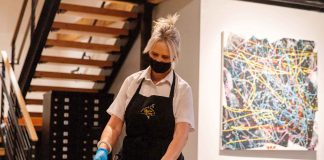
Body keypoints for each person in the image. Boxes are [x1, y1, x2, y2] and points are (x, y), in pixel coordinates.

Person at [94, 13, 195, 160]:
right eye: (155, 54)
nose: (159, 60)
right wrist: (103, 147)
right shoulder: (132, 82)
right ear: (149, 51)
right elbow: (114, 126)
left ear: (174, 57)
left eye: (165, 57)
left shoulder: (182, 89)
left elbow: (181, 136)